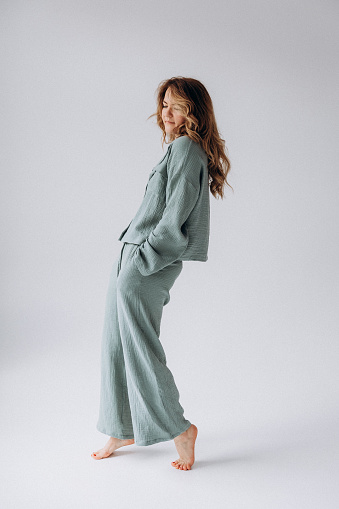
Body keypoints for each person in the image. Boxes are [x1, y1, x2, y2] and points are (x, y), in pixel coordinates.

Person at [91, 76, 232, 470]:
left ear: (193, 113)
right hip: (131, 255)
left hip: (145, 262)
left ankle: (179, 428)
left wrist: (144, 259)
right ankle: (122, 425)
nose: (166, 112)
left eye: (176, 106)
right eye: (164, 104)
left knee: (140, 348)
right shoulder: (176, 149)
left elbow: (175, 218)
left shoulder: (188, 149)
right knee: (116, 343)